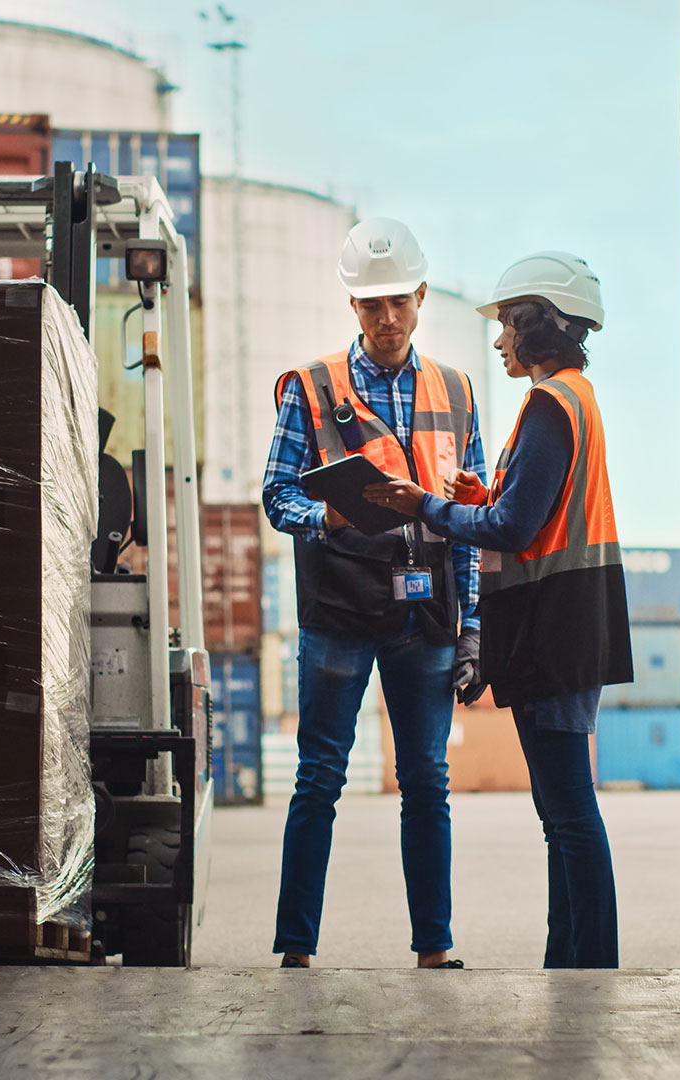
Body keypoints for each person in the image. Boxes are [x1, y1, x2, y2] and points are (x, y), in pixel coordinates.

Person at [364, 251, 633, 968]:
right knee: (561, 817)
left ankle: (592, 965)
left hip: (556, 623)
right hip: (571, 617)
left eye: (508, 326)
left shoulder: (551, 404)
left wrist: (426, 505)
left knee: (569, 814)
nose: (499, 341)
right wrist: (480, 498)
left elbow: (516, 532)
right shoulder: (573, 397)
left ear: (535, 322)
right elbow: (529, 514)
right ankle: (569, 962)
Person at [263, 217, 486, 969]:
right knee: (319, 776)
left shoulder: (456, 391)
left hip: (424, 613)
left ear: (421, 296)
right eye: (370, 305)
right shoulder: (312, 388)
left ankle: (434, 946)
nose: (386, 319)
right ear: (352, 306)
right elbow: (274, 495)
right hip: (339, 610)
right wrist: (320, 513)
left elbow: (475, 515)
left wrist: (473, 627)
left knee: (427, 781)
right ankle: (296, 949)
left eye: (398, 301)